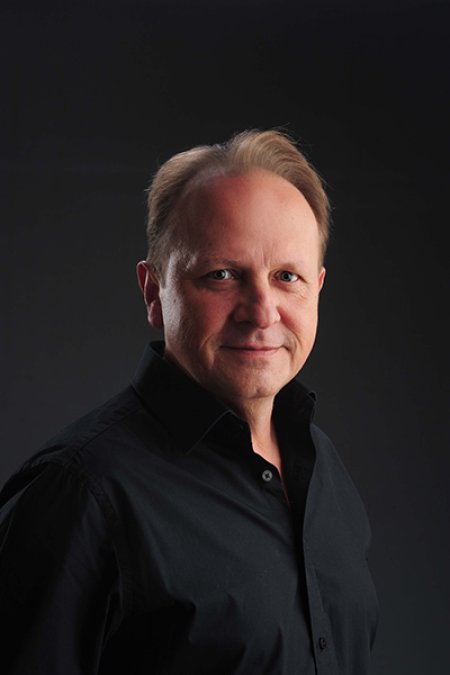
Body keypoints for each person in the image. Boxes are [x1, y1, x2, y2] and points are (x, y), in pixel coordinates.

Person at [0, 130, 378, 674]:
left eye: (286, 277)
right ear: (154, 291)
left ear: (316, 288)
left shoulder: (324, 469)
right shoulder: (81, 496)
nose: (262, 311)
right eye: (222, 275)